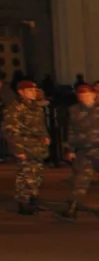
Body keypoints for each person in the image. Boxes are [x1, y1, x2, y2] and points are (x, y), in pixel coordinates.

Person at [62, 83, 99, 220]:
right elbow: (71, 131)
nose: (84, 97)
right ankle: (72, 207)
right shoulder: (74, 110)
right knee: (80, 180)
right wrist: (70, 149)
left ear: (93, 95)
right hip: (84, 151)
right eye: (81, 95)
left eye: (87, 94)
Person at [3, 80, 50, 214]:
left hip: (37, 147)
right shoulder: (15, 108)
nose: (33, 93)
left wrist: (46, 137)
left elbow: (41, 126)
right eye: (29, 90)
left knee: (37, 175)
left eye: (34, 90)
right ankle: (24, 203)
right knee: (25, 175)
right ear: (21, 92)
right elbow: (10, 131)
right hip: (24, 146)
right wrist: (18, 149)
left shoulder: (36, 107)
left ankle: (33, 200)